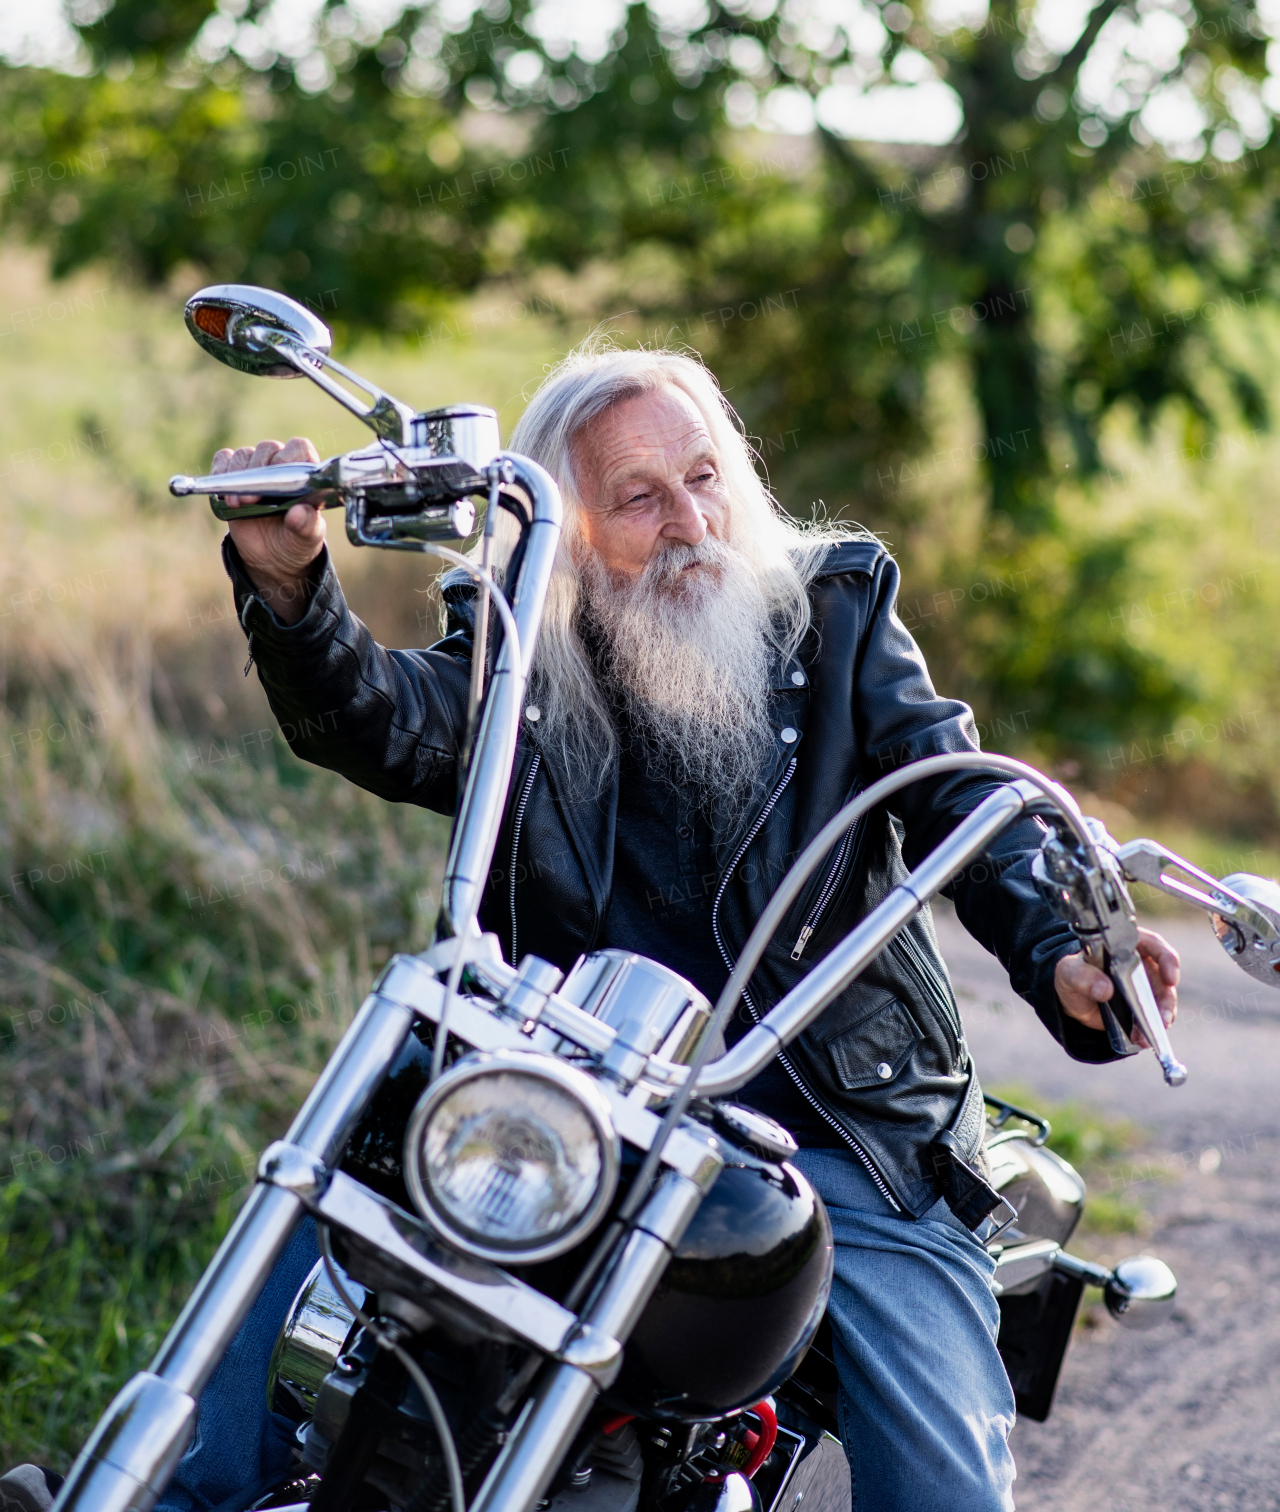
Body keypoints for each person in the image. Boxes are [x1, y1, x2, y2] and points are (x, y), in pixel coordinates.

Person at [19, 343, 1179, 1512]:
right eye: (637, 496)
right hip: (579, 1106)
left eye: (706, 477)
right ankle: (161, 1498)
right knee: (330, 1175)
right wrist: (290, 589)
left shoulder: (830, 610)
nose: (689, 521)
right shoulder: (524, 636)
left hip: (843, 1133)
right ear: (566, 529)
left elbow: (957, 791)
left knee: (942, 1491)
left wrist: (1063, 948)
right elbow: (384, 723)